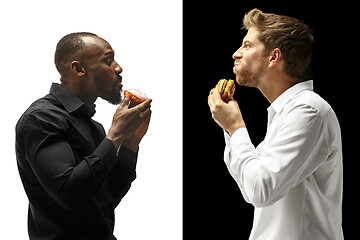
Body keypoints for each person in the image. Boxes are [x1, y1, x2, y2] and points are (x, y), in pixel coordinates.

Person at [208, 9, 343, 240]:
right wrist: (229, 129)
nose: (236, 54)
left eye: (247, 46)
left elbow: (260, 190)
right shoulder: (286, 112)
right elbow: (249, 187)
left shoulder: (307, 110)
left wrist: (236, 128)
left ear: (274, 57)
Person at [15, 32, 152, 240]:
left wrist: (130, 142)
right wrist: (115, 135)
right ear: (79, 69)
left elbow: (105, 199)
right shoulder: (41, 119)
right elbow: (69, 193)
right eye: (108, 60)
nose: (118, 68)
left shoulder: (93, 127)